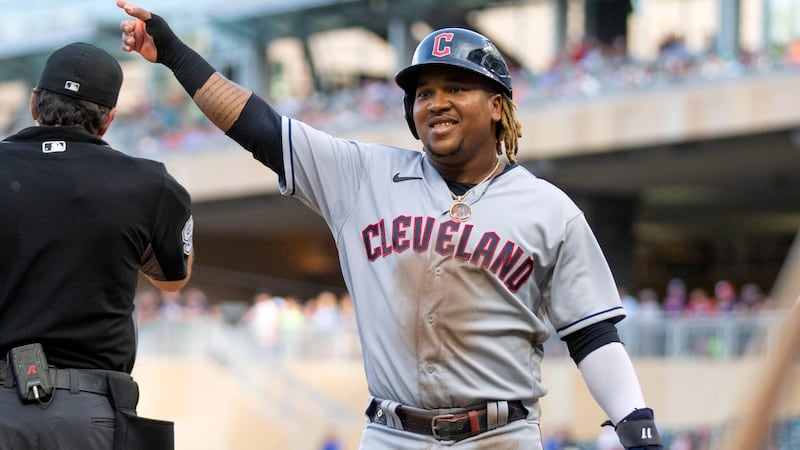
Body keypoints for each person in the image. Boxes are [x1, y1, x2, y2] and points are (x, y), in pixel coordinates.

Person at [117, 2, 662, 448]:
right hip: (392, 434)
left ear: (498, 107)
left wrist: (632, 416)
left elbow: (591, 332)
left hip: (501, 435)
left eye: (456, 87)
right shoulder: (363, 175)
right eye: (424, 92)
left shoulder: (549, 208)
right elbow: (258, 126)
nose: (437, 103)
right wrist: (173, 54)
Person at [0, 41, 194, 449]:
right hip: (89, 413)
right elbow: (174, 279)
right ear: (107, 119)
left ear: (34, 104)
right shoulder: (148, 183)